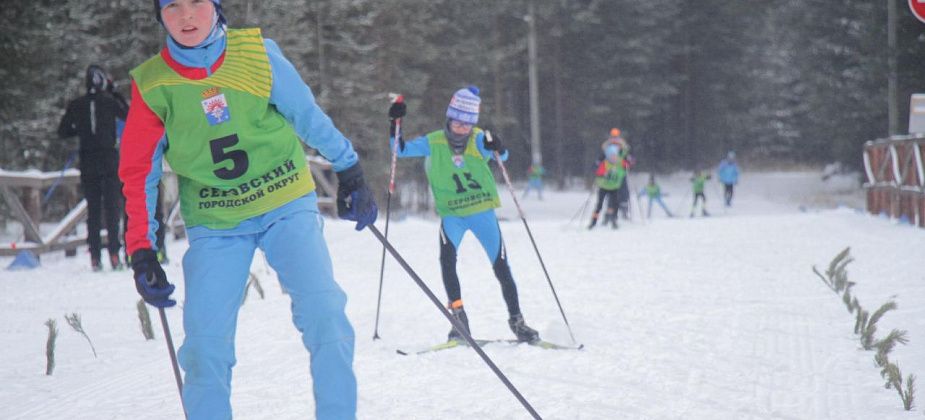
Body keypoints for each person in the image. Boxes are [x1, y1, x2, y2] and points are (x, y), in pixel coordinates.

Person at [119, 1, 377, 418]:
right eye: (172, 6)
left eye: (197, 3)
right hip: (216, 222)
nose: (186, 16)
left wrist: (350, 170)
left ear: (216, 7)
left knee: (325, 314)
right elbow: (138, 173)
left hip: (284, 202)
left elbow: (306, 116)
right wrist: (142, 250)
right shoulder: (153, 85)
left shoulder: (257, 54)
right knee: (204, 346)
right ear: (160, 15)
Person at [387, 86, 540, 344]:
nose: (461, 128)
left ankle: (517, 321)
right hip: (453, 215)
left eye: (467, 124)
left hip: (482, 212)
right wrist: (395, 122)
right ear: (449, 119)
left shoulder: (478, 138)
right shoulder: (433, 141)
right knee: (447, 261)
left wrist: (497, 144)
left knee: (501, 267)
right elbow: (399, 150)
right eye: (457, 122)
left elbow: (502, 155)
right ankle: (458, 318)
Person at [58, 64, 129, 271]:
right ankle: (115, 254)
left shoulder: (76, 104)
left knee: (94, 210)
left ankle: (95, 257)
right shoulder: (109, 102)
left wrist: (81, 131)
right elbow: (127, 114)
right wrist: (115, 92)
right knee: (112, 208)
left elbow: (62, 131)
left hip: (87, 160)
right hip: (108, 158)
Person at [588, 141, 629, 230]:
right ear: (608, 156)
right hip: (603, 187)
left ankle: (614, 220)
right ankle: (593, 222)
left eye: (615, 156)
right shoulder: (605, 163)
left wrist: (626, 164)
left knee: (615, 204)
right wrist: (604, 174)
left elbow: (626, 167)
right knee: (599, 205)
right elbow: (598, 172)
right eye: (611, 156)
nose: (613, 158)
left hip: (614, 187)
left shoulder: (620, 162)